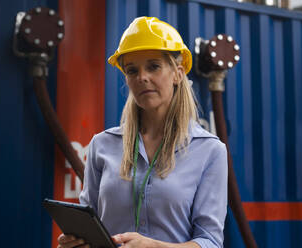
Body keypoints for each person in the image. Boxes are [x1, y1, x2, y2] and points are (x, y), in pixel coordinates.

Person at [57, 16, 228, 248]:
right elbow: (90, 225)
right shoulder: (102, 145)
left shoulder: (209, 150)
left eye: (153, 66)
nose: (142, 77)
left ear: (178, 73)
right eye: (132, 70)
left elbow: (210, 242)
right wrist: (77, 242)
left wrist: (155, 246)